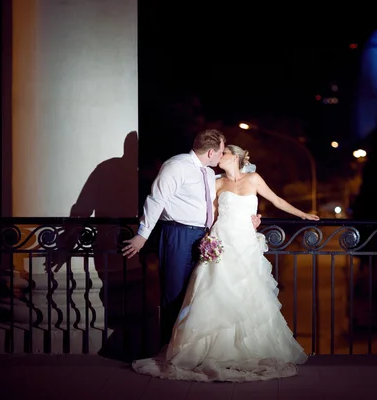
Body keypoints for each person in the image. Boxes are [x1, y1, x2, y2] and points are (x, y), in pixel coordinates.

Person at [131, 144, 320, 382]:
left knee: (246, 293)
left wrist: (302, 215)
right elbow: (207, 212)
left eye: (225, 153)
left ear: (236, 158)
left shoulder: (253, 179)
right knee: (213, 291)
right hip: (221, 242)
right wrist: (206, 237)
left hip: (245, 243)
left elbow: (277, 200)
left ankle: (244, 349)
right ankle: (209, 350)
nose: (220, 156)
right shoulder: (216, 182)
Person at [122, 130, 261, 344]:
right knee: (174, 290)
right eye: (222, 151)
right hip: (177, 233)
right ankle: (168, 346)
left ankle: (187, 345)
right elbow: (156, 200)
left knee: (196, 292)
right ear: (212, 152)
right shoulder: (176, 166)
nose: (222, 155)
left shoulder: (207, 172)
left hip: (202, 237)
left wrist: (249, 218)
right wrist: (142, 235)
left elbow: (230, 195)